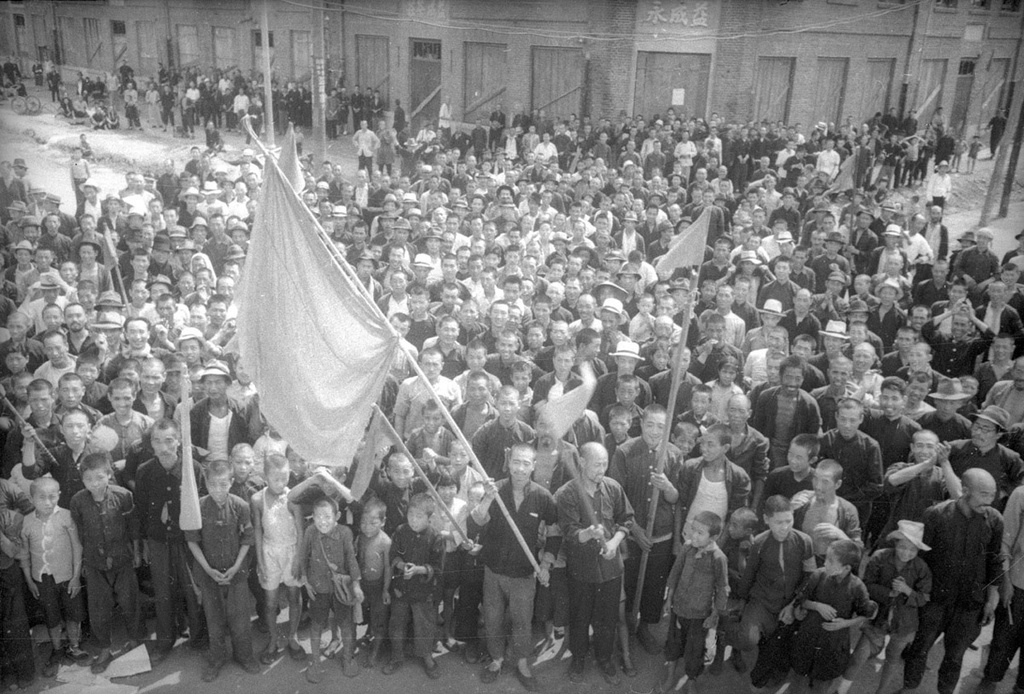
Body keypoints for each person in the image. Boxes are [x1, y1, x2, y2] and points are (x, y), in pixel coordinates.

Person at [900, 468, 1003, 694]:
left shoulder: (995, 520)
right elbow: (921, 561)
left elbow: (996, 562)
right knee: (919, 649)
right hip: (934, 601)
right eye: (984, 494)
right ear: (964, 491)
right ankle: (909, 688)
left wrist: (991, 600)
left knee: (955, 658)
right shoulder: (935, 515)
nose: (990, 501)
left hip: (970, 605)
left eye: (992, 495)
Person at [474, 441, 557, 689]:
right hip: (494, 571)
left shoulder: (543, 497)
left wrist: (546, 564)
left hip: (524, 574)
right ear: (508, 463)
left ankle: (522, 662)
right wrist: (487, 499)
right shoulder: (495, 490)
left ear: (533, 466)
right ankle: (497, 659)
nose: (520, 468)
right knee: (493, 616)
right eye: (516, 462)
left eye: (525, 463)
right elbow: (476, 522)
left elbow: (554, 533)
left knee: (522, 621)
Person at [556, 441, 633, 685]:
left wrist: (614, 542)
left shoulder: (613, 488)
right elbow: (569, 531)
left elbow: (627, 520)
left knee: (607, 619)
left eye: (605, 464)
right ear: (581, 463)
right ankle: (578, 658)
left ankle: (604, 658)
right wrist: (589, 533)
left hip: (611, 570)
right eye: (597, 464)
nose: (602, 469)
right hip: (582, 570)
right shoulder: (568, 493)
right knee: (579, 617)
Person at [608, 404, 682, 650]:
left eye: (661, 426)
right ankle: (626, 625)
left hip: (661, 532)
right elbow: (617, 495)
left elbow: (675, 498)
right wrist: (635, 529)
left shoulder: (673, 454)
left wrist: (667, 487)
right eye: (650, 425)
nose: (654, 431)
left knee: (654, 584)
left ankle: (645, 627)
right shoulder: (625, 451)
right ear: (641, 424)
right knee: (629, 581)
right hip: (632, 532)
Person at [134, 418, 207, 663]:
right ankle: (166, 640)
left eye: (169, 440)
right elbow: (141, 510)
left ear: (179, 441)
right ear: (150, 444)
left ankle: (197, 636)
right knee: (163, 591)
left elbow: (202, 506)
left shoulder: (192, 468)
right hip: (157, 539)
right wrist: (143, 542)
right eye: (157, 441)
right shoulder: (145, 471)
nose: (163, 447)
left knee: (191, 588)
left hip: (187, 540)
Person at [184, 460, 260, 682]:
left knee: (240, 620)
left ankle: (244, 656)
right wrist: (207, 569)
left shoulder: (241, 506)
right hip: (209, 575)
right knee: (214, 620)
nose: (218, 490)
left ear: (231, 482)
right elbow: (192, 541)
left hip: (236, 573)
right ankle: (217, 658)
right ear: (206, 483)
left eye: (223, 484)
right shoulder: (198, 506)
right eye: (213, 484)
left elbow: (247, 538)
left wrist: (237, 566)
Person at [837, 520, 932, 694]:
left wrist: (908, 591)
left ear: (918, 551)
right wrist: (888, 593)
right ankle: (841, 691)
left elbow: (924, 598)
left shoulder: (921, 567)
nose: (906, 553)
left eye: (912, 550)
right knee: (858, 657)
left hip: (904, 623)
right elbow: (866, 584)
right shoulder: (880, 557)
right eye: (903, 547)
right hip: (877, 618)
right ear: (895, 543)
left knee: (892, 659)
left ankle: (880, 692)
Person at [69, 452, 142, 674]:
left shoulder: (124, 496)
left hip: (122, 558)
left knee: (130, 601)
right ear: (82, 480)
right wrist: (83, 560)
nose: (95, 483)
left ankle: (135, 641)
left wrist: (137, 551)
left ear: (109, 475)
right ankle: (104, 649)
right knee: (98, 608)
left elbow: (133, 527)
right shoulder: (78, 501)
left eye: (100, 477)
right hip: (94, 563)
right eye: (89, 479)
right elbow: (80, 534)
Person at [735, 495, 816, 680]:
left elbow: (810, 577)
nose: (785, 527)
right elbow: (749, 575)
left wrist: (794, 605)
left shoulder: (805, 541)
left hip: (790, 603)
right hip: (762, 602)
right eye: (778, 522)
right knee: (747, 639)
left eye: (789, 520)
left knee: (782, 652)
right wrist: (741, 601)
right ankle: (730, 637)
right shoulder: (759, 543)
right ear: (766, 519)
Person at [19, 477, 89, 677]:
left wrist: (76, 577)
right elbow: (24, 554)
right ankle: (57, 649)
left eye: (52, 497)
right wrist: (29, 580)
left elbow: (77, 547)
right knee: (52, 616)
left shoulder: (66, 517)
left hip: (67, 576)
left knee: (74, 612)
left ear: (59, 496)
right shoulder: (27, 522)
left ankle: (74, 646)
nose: (48, 502)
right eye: (42, 498)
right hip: (42, 579)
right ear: (32, 499)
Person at [788, 539, 876, 694]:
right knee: (797, 682)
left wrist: (846, 623)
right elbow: (801, 599)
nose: (825, 563)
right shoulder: (818, 575)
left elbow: (865, 614)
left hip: (832, 645)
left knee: (821, 686)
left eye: (830, 561)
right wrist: (817, 606)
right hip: (807, 637)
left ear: (846, 568)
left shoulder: (857, 587)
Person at [660, 510, 728, 694]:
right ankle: (670, 677)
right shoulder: (687, 548)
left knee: (694, 650)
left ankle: (691, 680)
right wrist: (669, 598)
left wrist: (714, 615)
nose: (693, 536)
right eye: (693, 530)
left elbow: (722, 588)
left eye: (700, 533)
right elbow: (674, 574)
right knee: (673, 643)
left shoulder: (718, 558)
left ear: (713, 537)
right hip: (678, 607)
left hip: (700, 614)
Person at [299, 496, 363, 682]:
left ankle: (348, 658)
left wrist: (356, 584)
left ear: (338, 516)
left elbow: (351, 559)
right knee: (317, 624)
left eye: (327, 516)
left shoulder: (345, 533)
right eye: (318, 516)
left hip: (340, 590)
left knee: (345, 624)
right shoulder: (310, 531)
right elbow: (303, 557)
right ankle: (315, 663)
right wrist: (305, 581)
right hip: (317, 588)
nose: (322, 521)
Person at [250, 454, 305, 664]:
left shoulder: (293, 499)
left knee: (293, 596)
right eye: (276, 479)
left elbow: (300, 531)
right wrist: (261, 562)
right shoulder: (257, 499)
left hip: (291, 551)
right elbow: (257, 530)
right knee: (270, 602)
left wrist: (298, 559)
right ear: (265, 476)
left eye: (285, 478)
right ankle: (273, 639)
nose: (281, 484)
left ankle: (292, 637)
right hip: (269, 552)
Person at [383, 492, 442, 679]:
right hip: (401, 589)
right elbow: (394, 556)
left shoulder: (435, 537)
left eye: (419, 517)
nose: (413, 520)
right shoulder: (401, 531)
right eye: (410, 515)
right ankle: (396, 656)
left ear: (429, 518)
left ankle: (426, 656)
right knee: (397, 623)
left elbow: (438, 568)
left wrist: (419, 570)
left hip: (423, 592)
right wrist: (401, 565)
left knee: (424, 624)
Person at [355, 497, 391, 667]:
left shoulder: (385, 542)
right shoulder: (360, 538)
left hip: (378, 587)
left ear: (383, 522)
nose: (366, 526)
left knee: (379, 617)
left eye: (372, 522)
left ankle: (376, 650)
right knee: (367, 613)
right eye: (363, 522)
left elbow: (388, 569)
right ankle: (369, 635)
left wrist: (385, 590)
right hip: (364, 585)